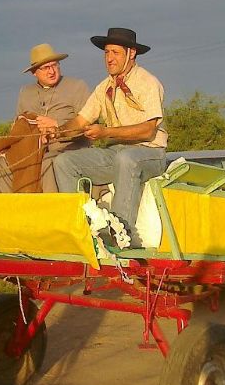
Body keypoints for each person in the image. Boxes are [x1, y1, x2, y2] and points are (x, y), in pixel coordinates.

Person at [52, 28, 167, 241]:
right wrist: (57, 132)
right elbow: (80, 121)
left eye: (115, 52)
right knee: (64, 162)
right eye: (106, 53)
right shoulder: (103, 87)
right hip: (116, 152)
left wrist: (105, 132)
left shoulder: (148, 82)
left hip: (150, 154)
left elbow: (149, 130)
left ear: (131, 54)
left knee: (126, 159)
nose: (109, 58)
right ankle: (79, 228)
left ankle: (122, 232)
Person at [0, 43, 90, 193]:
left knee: (48, 163)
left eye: (54, 65)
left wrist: (57, 126)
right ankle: (3, 214)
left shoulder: (77, 87)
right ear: (34, 72)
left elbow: (89, 125)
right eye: (45, 68)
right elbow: (18, 128)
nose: (52, 71)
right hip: (31, 152)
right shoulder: (26, 93)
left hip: (67, 149)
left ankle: (50, 213)